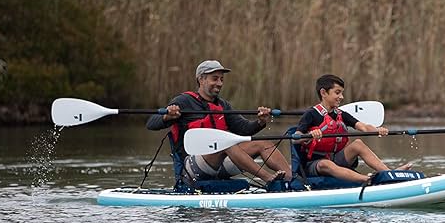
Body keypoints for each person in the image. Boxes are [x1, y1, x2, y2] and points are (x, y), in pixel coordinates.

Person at [147, 60, 291, 186]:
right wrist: (167, 117)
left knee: (263, 144)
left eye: (221, 79)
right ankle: (268, 178)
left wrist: (260, 122)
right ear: (201, 79)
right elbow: (151, 123)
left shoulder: (223, 105)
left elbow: (244, 129)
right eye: (215, 79)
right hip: (191, 167)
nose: (220, 83)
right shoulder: (183, 101)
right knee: (225, 143)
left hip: (221, 163)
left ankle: (291, 180)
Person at [296, 74, 412, 184]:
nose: (341, 97)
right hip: (315, 164)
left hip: (336, 158)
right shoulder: (310, 114)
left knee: (358, 144)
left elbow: (364, 127)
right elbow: (295, 138)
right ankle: (368, 179)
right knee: (325, 164)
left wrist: (377, 130)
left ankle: (389, 173)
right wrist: (309, 135)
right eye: (337, 93)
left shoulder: (341, 114)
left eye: (342, 93)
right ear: (323, 93)